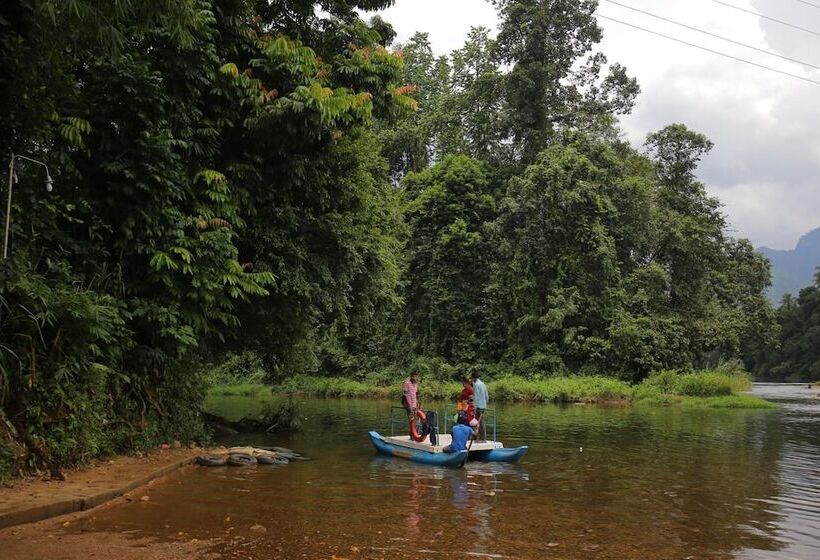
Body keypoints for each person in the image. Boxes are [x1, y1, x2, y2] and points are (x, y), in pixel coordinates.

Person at [471, 371, 488, 441]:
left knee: (479, 423)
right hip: (483, 406)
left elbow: (476, 397)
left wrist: (475, 407)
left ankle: (482, 438)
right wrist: (485, 404)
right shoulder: (483, 384)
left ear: (473, 378)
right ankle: (481, 437)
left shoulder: (476, 385)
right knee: (481, 422)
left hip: (478, 407)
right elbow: (487, 396)